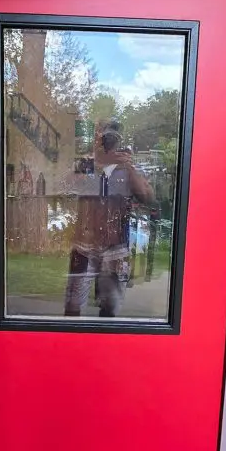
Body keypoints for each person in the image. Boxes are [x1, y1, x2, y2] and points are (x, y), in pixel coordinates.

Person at [64, 121, 155, 317]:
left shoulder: (127, 168)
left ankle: (104, 347)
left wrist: (129, 167)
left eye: (114, 138)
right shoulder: (85, 164)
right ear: (97, 141)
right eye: (105, 138)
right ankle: (70, 346)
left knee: (110, 309)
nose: (109, 143)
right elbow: (63, 185)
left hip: (115, 245)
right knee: (73, 307)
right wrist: (95, 161)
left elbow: (148, 197)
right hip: (84, 244)